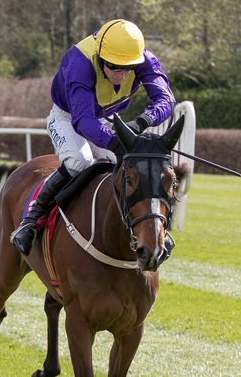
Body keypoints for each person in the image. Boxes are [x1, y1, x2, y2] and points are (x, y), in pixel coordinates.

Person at [10, 19, 176, 256]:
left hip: (105, 118)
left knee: (132, 164)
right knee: (79, 160)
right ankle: (31, 220)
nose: (122, 74)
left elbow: (166, 100)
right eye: (114, 67)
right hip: (68, 117)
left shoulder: (141, 58)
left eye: (128, 68)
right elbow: (83, 121)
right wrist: (115, 141)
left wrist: (142, 122)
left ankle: (151, 230)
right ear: (100, 57)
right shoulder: (79, 63)